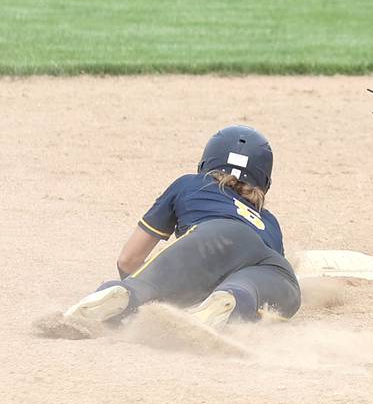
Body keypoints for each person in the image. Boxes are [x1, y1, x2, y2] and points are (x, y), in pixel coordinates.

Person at [62, 125, 302, 330]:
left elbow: (129, 259)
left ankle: (126, 295)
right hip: (271, 264)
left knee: (143, 287)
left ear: (208, 161)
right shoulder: (269, 221)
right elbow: (245, 261)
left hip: (212, 236)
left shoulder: (190, 184)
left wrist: (156, 285)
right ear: (264, 180)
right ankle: (230, 298)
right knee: (252, 287)